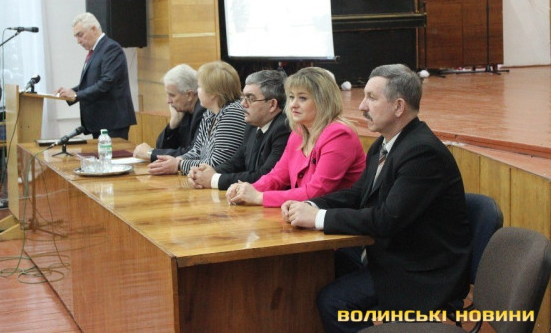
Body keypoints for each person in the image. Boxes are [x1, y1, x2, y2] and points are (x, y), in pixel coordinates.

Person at [282, 64, 471, 332]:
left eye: (371, 98)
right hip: (391, 256)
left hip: (420, 273)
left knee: (333, 302)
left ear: (398, 107)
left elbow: (386, 220)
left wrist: (318, 218)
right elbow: (358, 194)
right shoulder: (385, 143)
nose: (361, 106)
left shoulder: (422, 153)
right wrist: (311, 205)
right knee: (320, 268)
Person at [226, 66, 366, 208]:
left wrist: (259, 197)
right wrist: (246, 189)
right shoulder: (299, 132)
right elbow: (277, 176)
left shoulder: (339, 135)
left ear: (323, 101)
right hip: (302, 215)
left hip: (335, 217)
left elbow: (316, 192)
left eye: (302, 98)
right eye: (291, 97)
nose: (293, 105)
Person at [188, 69, 290, 190]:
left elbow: (264, 177)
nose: (242, 104)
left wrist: (214, 179)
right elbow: (237, 162)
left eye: (250, 98)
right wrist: (205, 173)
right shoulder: (252, 125)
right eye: (243, 97)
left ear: (272, 105)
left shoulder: (283, 129)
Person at [148, 61, 245, 176]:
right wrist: (176, 160)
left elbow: (217, 163)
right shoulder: (210, 113)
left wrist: (178, 165)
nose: (196, 91)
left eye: (199, 87)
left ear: (213, 93)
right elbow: (197, 151)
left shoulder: (232, 113)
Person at [55, 12, 136, 139]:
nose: (78, 41)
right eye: (76, 37)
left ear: (93, 29)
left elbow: (106, 83)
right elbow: (92, 83)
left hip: (112, 122)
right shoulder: (95, 50)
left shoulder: (111, 48)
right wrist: (70, 92)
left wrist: (76, 95)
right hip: (100, 122)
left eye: (80, 35)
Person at [133, 64, 205, 162]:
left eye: (172, 95)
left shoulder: (203, 112)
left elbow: (193, 154)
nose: (168, 101)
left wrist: (151, 153)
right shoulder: (184, 110)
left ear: (189, 95)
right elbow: (161, 147)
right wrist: (173, 124)